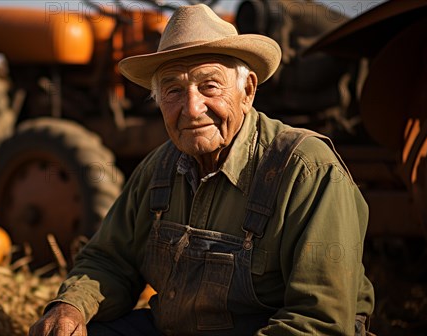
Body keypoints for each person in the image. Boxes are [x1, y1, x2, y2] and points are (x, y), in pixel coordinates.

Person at [29, 4, 375, 336]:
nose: (192, 109)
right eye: (174, 90)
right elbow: (110, 261)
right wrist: (71, 306)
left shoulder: (306, 171)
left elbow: (319, 320)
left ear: (248, 91)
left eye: (209, 86)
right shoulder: (159, 169)